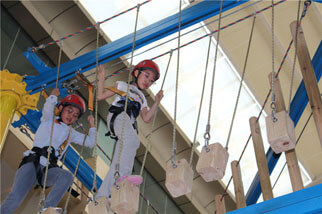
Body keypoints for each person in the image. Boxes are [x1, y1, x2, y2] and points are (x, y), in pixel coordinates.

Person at [0, 88, 96, 214]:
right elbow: (48, 109)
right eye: (69, 111)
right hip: (32, 163)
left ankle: (47, 208)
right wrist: (52, 97)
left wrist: (92, 126)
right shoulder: (49, 120)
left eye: (75, 116)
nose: (71, 116)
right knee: (15, 198)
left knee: (66, 176)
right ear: (61, 109)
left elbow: (90, 142)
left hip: (49, 169)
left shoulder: (71, 133)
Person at [95, 60, 164, 201]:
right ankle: (123, 178)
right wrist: (101, 78)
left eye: (151, 81)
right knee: (133, 141)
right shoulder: (122, 85)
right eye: (146, 75)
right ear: (137, 72)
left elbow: (146, 118)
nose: (148, 81)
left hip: (126, 123)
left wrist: (156, 102)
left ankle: (102, 197)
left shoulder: (143, 99)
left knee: (117, 161)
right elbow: (100, 96)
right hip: (118, 116)